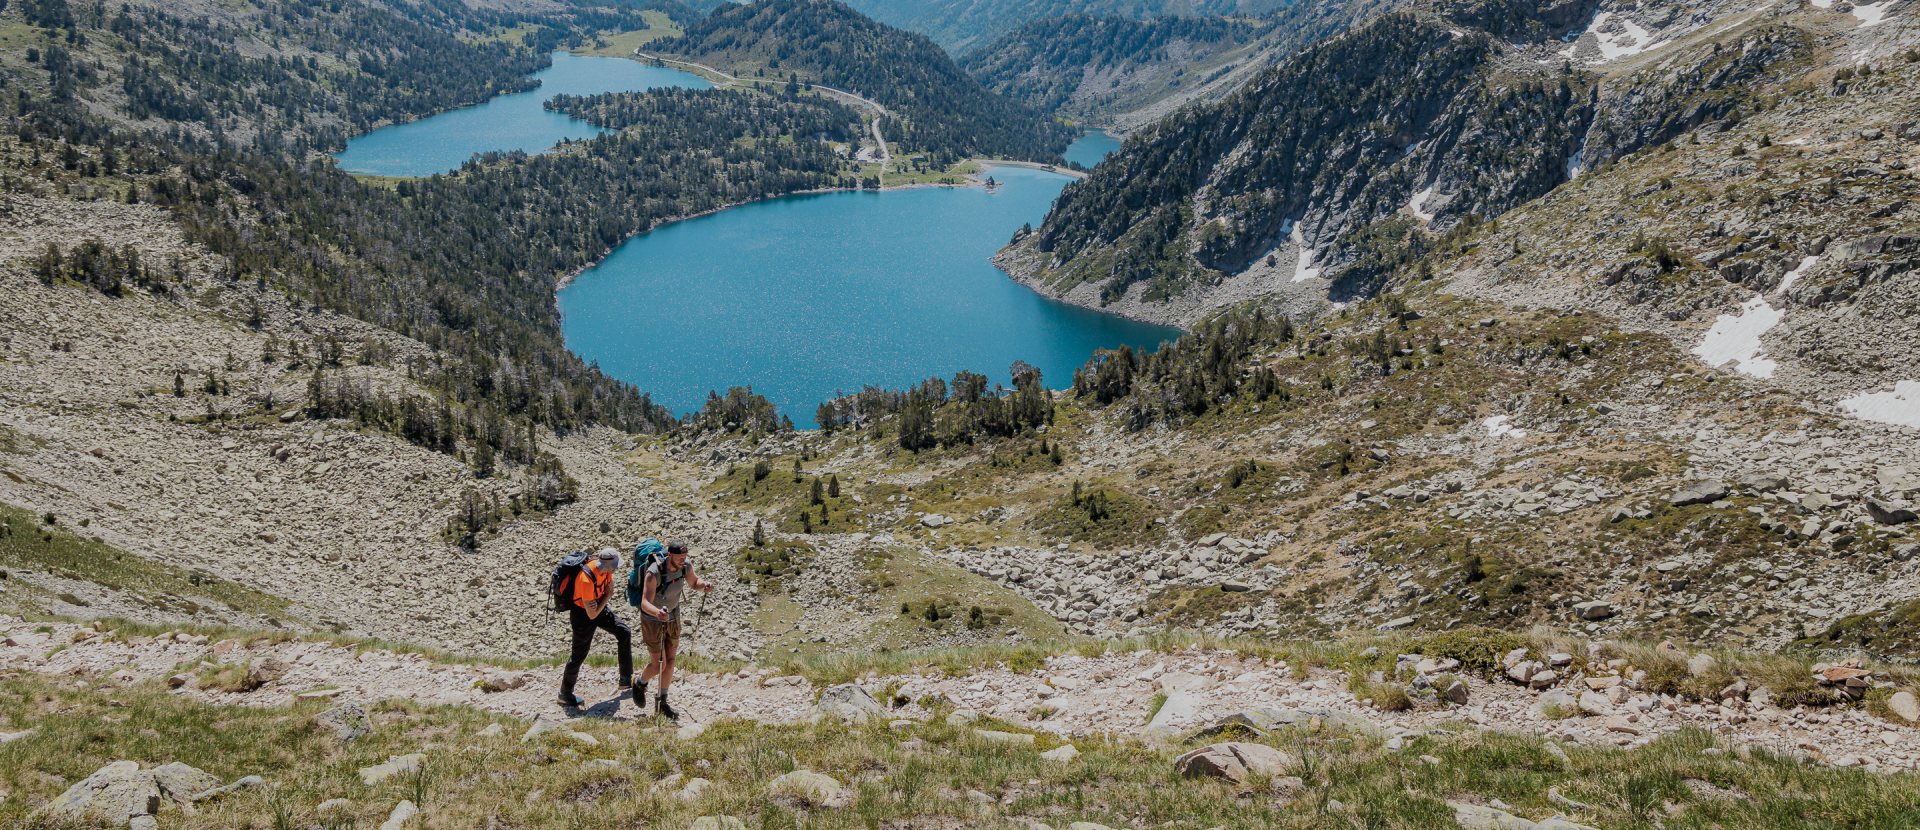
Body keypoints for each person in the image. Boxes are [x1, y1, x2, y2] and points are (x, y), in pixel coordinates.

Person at [634, 539, 714, 720]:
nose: (682, 561)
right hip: (652, 619)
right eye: (679, 557)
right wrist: (658, 612)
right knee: (657, 663)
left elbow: (694, 583)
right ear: (669, 555)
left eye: (685, 557)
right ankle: (639, 683)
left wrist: (704, 585)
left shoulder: (685, 566)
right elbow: (645, 603)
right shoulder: (653, 573)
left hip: (672, 615)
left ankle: (663, 701)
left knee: (670, 660)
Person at [559, 548, 634, 708]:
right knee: (579, 654)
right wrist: (607, 596)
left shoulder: (605, 570)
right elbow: (592, 615)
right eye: (615, 565)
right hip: (582, 615)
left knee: (624, 631)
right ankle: (565, 694)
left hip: (597, 605)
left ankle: (626, 679)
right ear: (608, 564)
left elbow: (609, 586)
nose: (616, 568)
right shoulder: (585, 579)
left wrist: (606, 595)